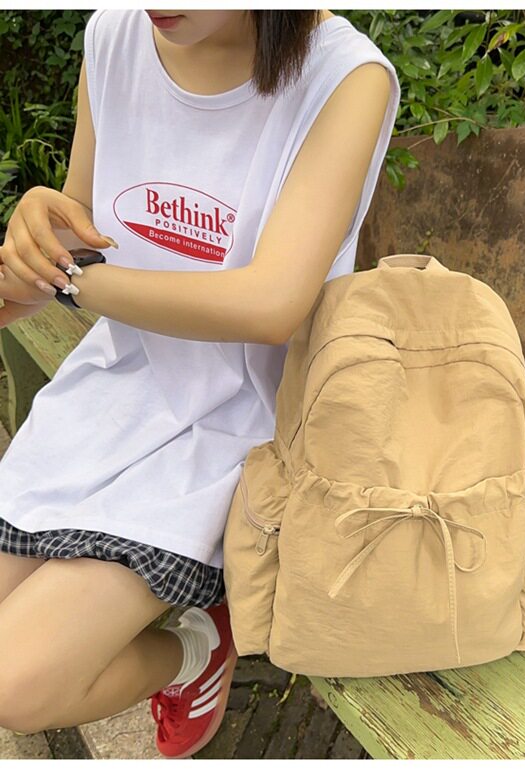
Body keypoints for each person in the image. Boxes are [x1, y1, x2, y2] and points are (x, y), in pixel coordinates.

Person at [0, 8, 400, 759]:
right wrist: (31, 249)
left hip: (239, 428)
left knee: (14, 685)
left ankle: (194, 649)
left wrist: (74, 281)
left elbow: (271, 305)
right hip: (113, 394)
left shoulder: (345, 77)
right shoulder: (114, 37)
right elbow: (79, 230)